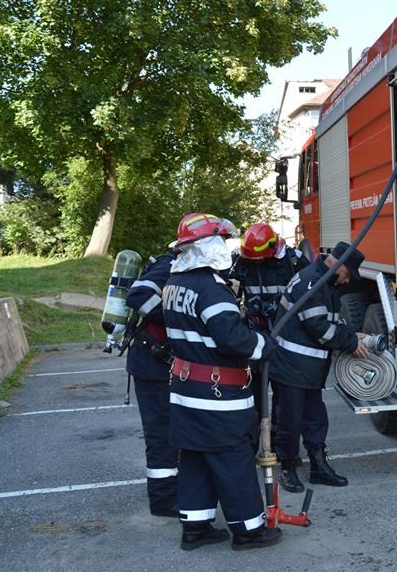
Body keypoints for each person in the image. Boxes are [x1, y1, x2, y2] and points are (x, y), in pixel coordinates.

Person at [162, 212, 282, 551]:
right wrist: (264, 344)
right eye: (222, 240)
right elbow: (233, 339)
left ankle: (195, 528)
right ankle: (248, 530)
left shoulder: (174, 284)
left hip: (186, 392)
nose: (226, 247)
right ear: (207, 245)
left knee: (196, 458)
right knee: (233, 459)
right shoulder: (211, 289)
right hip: (218, 396)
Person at [271, 241, 369, 493]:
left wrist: (351, 334)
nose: (347, 280)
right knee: (290, 421)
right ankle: (288, 468)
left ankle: (318, 467)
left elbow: (329, 321)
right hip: (292, 367)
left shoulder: (322, 281)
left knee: (315, 418)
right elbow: (320, 328)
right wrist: (350, 343)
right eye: (348, 274)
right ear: (337, 264)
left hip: (307, 368)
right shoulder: (312, 283)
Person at [227, 223, 309, 422]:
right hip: (254, 335)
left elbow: (312, 293)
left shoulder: (293, 261)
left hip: (285, 336)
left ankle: (278, 435)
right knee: (252, 392)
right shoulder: (240, 261)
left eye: (260, 259)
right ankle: (255, 433)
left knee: (284, 394)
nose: (257, 263)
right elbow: (228, 297)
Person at [125, 245, 179, 517]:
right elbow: (138, 295)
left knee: (171, 432)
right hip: (152, 364)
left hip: (158, 364)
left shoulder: (180, 268)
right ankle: (163, 500)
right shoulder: (169, 266)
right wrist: (175, 318)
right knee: (161, 434)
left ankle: (172, 492)